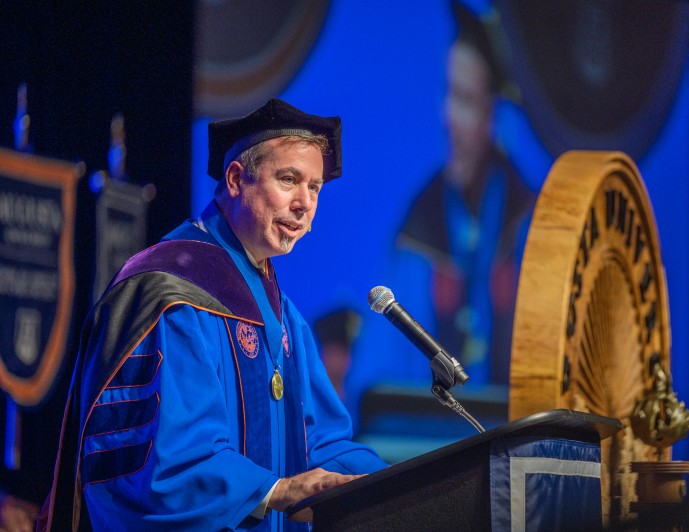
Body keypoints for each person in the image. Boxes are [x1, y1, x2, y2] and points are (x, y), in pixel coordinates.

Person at [40, 98, 387, 531]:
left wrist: (396, 484)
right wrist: (274, 491)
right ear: (237, 179)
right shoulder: (169, 296)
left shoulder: (284, 317)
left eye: (314, 187)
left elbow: (320, 440)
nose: (304, 203)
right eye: (289, 179)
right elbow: (167, 464)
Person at [346, 2, 536, 422]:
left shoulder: (533, 227)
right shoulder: (419, 229)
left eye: (466, 101)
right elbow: (376, 387)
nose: (448, 118)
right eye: (448, 94)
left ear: (496, 115)